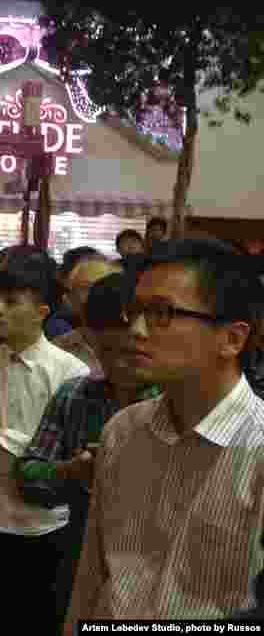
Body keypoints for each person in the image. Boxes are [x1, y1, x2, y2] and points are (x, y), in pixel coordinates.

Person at [66, 240, 264, 627]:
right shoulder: (123, 431)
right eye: (135, 311)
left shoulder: (257, 450)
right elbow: (94, 570)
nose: (135, 331)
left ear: (232, 339)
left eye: (161, 313)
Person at [0, 263, 89, 636]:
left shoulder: (70, 373)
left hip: (39, 522)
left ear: (42, 312)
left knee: (34, 619)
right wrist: (23, 452)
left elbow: (60, 457)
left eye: (11, 302)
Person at [15, 272, 161, 631]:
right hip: (81, 556)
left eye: (132, 351)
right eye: (107, 351)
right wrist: (71, 472)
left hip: (159, 567)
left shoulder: (176, 403)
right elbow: (27, 474)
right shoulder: (76, 396)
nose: (120, 363)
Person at [52, 256, 122, 375]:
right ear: (69, 298)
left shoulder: (140, 346)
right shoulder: (56, 351)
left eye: (106, 286)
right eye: (86, 288)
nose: (98, 294)